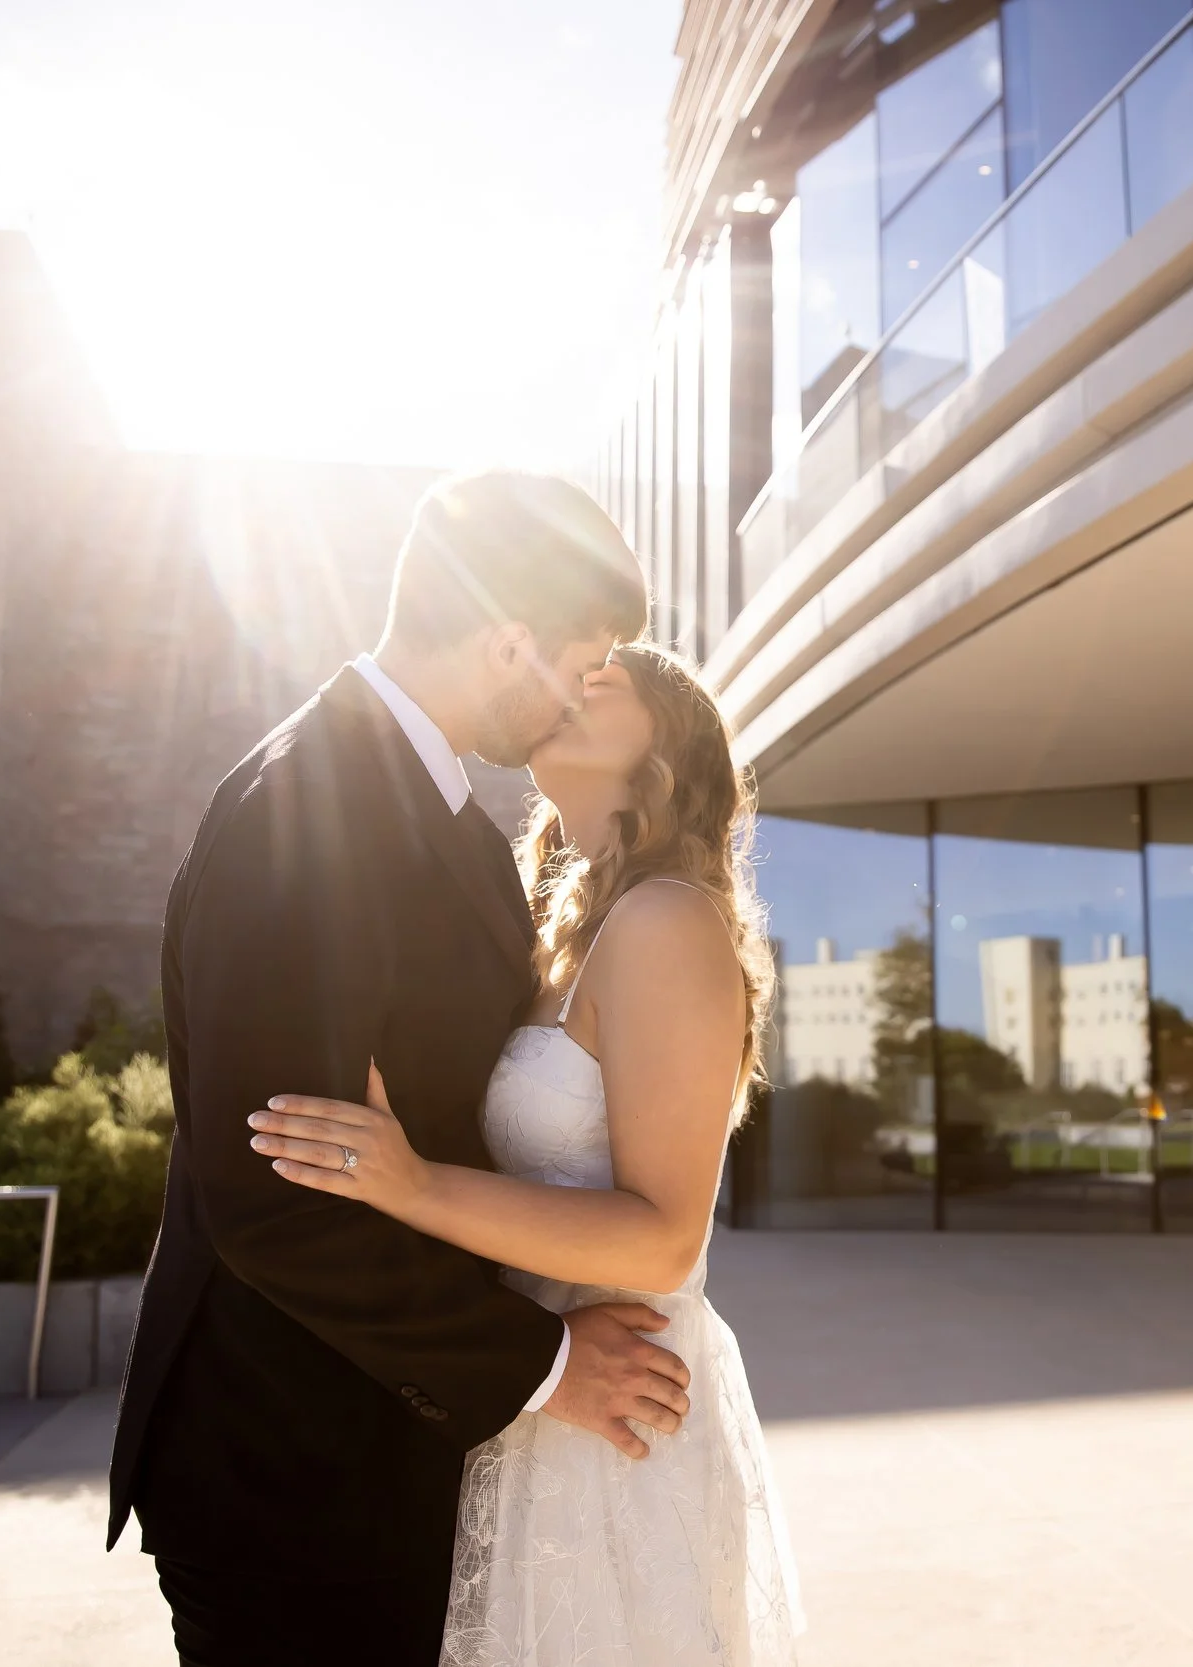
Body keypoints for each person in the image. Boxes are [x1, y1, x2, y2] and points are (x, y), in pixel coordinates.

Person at [110, 473, 702, 1667]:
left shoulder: (449, 823)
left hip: (391, 1449)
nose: (579, 693)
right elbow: (276, 1202)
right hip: (288, 1467)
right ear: (506, 640)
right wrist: (543, 1363)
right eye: (580, 659)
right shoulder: (302, 809)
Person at [245, 640, 802, 1666]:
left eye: (608, 679)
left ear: (671, 748)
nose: (575, 681)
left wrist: (410, 1183)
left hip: (619, 1414)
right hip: (537, 1391)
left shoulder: (668, 919)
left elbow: (664, 1239)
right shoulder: (562, 932)